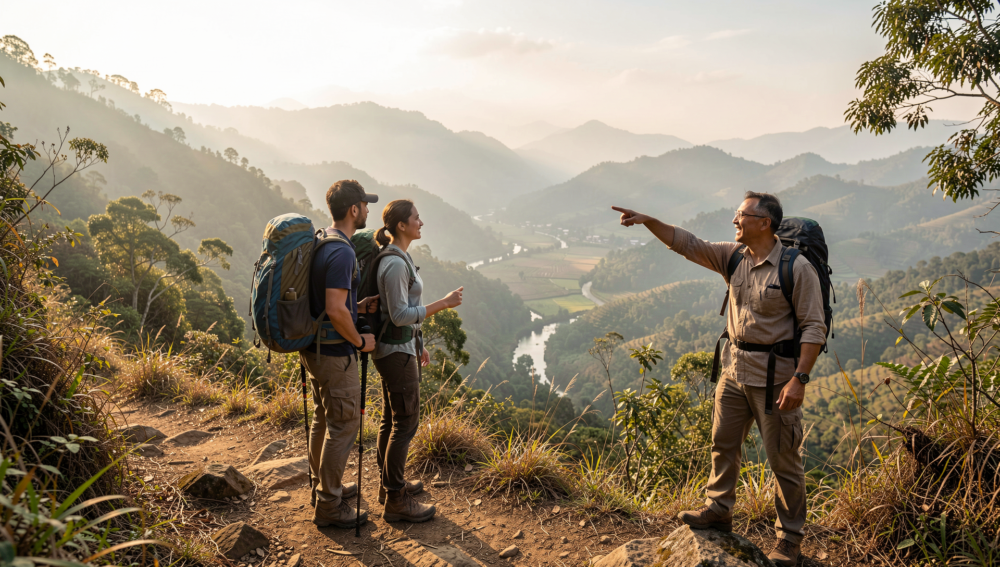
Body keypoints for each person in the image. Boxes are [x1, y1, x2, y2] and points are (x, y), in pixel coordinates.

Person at [612, 191, 826, 567]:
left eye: (742, 214)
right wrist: (648, 220)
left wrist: (800, 379)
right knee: (723, 444)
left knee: (783, 462)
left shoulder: (796, 268)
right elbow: (687, 243)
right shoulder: (733, 257)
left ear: (765, 222)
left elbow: (813, 327)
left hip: (776, 380)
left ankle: (790, 539)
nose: (735, 220)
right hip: (734, 371)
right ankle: (719, 509)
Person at [372, 199, 463, 522]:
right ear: (401, 225)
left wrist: (418, 342)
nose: (421, 222)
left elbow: (402, 315)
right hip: (395, 353)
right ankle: (396, 499)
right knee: (405, 423)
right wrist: (444, 303)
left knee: (391, 420)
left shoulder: (402, 257)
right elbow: (398, 315)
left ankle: (389, 486)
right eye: (416, 218)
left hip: (401, 348)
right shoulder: (395, 263)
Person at [301, 179, 379, 529]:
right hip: (335, 353)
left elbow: (331, 301)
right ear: (354, 210)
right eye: (365, 205)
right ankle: (330, 505)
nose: (367, 211)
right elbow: (335, 308)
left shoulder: (322, 241)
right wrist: (361, 342)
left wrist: (356, 305)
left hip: (313, 348)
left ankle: (323, 487)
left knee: (323, 418)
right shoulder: (344, 251)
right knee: (344, 426)